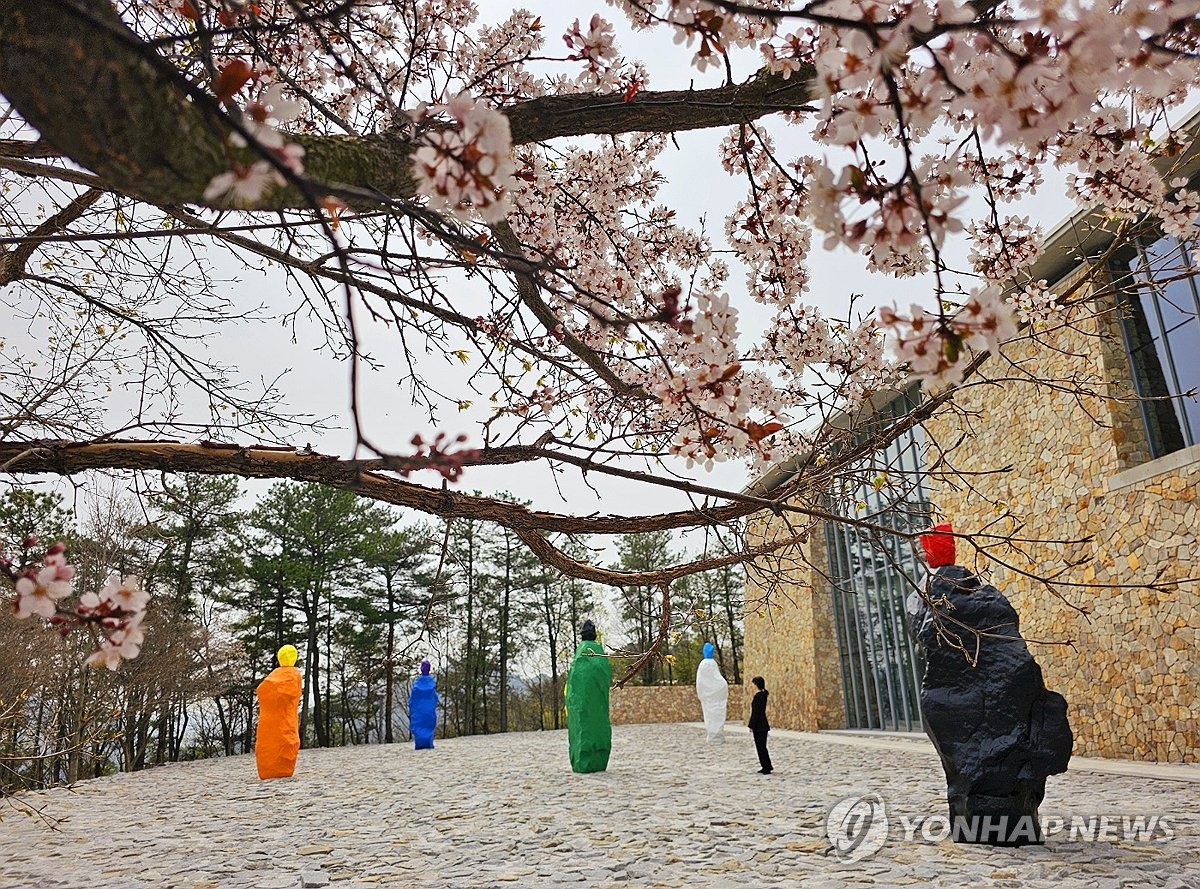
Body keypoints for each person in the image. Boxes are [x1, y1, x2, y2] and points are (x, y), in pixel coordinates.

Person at [565, 619, 612, 773]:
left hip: (582, 705)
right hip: (598, 705)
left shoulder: (581, 653)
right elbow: (605, 676)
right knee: (597, 727)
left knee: (583, 728)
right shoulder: (598, 653)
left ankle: (583, 761)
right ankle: (598, 760)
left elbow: (574, 681)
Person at [255, 644, 303, 779]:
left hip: (268, 724)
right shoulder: (293, 675)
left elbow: (262, 691)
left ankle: (269, 770)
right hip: (285, 723)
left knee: (276, 745)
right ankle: (279, 769)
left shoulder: (273, 677)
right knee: (286, 744)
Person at [695, 642, 729, 743]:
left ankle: (714, 735)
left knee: (711, 714)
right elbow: (715, 679)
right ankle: (716, 734)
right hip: (715, 695)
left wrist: (703, 693)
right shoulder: (711, 664)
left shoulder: (704, 665)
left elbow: (700, 682)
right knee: (717, 713)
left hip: (710, 696)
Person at [409, 659, 439, 750]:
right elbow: (434, 698)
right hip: (428, 712)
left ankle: (420, 743)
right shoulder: (431, 684)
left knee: (420, 726)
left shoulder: (417, 684)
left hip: (419, 711)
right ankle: (428, 742)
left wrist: (412, 706)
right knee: (427, 726)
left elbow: (413, 699)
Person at [747, 675, 772, 774]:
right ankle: (766, 765)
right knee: (762, 747)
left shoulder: (758, 697)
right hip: (763, 725)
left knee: (760, 747)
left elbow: (755, 713)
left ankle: (766, 766)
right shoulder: (763, 695)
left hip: (759, 725)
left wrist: (751, 725)